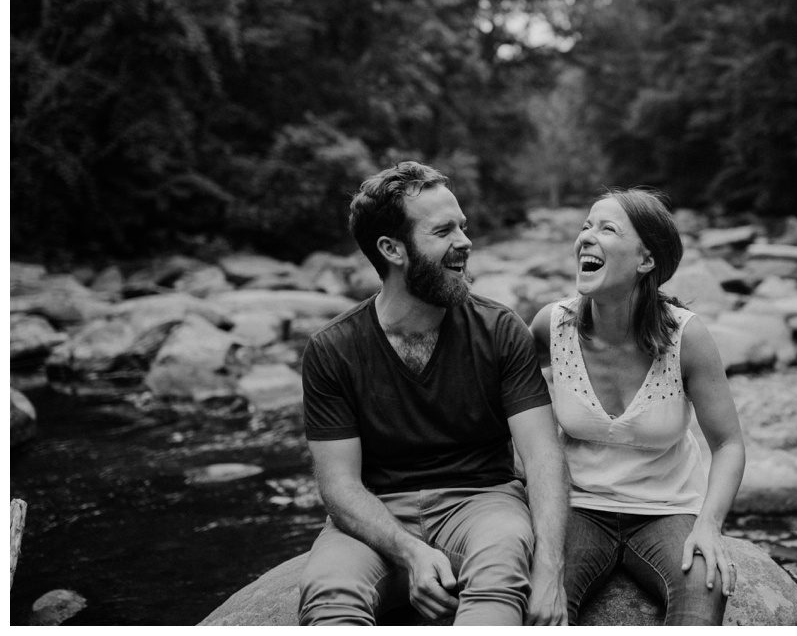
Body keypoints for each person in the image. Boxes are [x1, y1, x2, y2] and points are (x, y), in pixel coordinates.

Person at [298, 161, 569, 626]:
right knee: (328, 592)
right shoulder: (332, 349)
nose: (465, 242)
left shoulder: (500, 329)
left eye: (463, 226)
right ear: (392, 249)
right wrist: (410, 552)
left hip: (484, 503)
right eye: (444, 231)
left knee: (503, 561)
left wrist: (550, 568)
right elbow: (339, 486)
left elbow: (543, 456)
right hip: (378, 515)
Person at [530, 188, 746, 626]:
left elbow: (728, 445)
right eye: (586, 226)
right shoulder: (550, 326)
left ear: (646, 260)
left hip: (668, 510)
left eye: (606, 228)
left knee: (707, 589)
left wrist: (709, 525)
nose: (586, 237)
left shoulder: (687, 338)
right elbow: (501, 400)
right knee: (539, 609)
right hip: (577, 506)